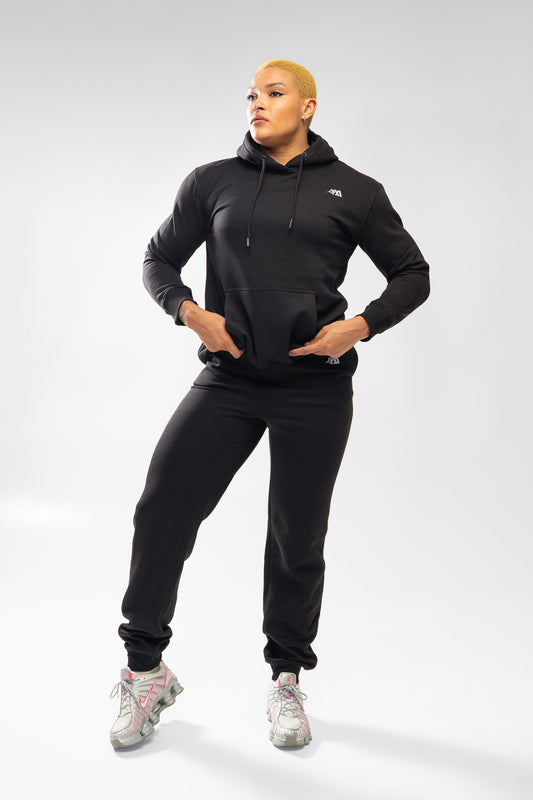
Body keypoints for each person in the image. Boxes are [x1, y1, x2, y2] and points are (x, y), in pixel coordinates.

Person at [109, 58, 430, 750]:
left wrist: (358, 326)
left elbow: (412, 273)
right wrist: (190, 312)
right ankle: (144, 671)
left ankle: (286, 679)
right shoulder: (212, 182)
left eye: (274, 93)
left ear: (308, 106)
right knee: (162, 508)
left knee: (295, 536)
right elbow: (157, 259)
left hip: (315, 388)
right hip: (228, 381)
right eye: (252, 94)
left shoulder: (356, 191)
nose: (257, 103)